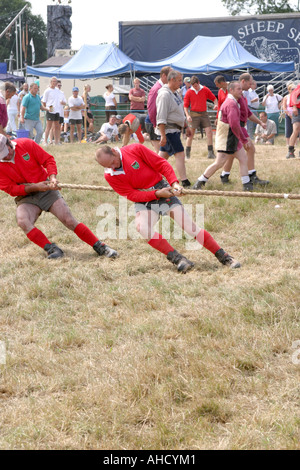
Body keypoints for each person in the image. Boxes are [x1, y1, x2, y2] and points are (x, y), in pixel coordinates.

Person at [95, 143, 240, 272]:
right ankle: (178, 259)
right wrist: (157, 194)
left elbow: (161, 164)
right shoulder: (110, 175)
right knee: (142, 228)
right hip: (145, 199)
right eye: (108, 166)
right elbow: (132, 195)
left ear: (114, 151)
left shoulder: (135, 149)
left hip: (162, 188)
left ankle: (225, 257)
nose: (113, 167)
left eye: (113, 162)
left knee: (190, 227)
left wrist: (174, 183)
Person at [0, 135, 118, 259]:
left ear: (9, 143)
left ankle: (100, 246)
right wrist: (35, 187)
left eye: (6, 152)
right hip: (25, 196)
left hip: (47, 189)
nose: (5, 156)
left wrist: (52, 178)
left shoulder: (26, 144)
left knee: (69, 220)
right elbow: (11, 189)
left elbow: (48, 160)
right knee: (23, 221)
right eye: (2, 156)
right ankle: (51, 249)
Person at [192, 81, 253, 191]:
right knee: (219, 163)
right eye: (238, 89)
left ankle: (247, 185)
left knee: (243, 158)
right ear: (231, 90)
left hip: (231, 137)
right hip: (227, 139)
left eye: (241, 88)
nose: (241, 91)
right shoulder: (231, 104)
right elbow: (234, 124)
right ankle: (199, 182)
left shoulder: (232, 102)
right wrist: (244, 140)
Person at [219, 73, 269, 186]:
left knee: (231, 154)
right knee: (249, 149)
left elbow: (248, 113)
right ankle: (251, 177)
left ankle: (224, 175)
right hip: (237, 127)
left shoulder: (242, 95)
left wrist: (260, 122)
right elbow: (238, 117)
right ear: (243, 81)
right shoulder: (238, 96)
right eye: (249, 83)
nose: (251, 85)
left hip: (238, 126)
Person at [156, 70, 192, 187]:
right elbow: (161, 116)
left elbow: (179, 112)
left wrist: (186, 126)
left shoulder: (175, 93)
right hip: (169, 130)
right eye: (179, 80)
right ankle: (184, 181)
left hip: (175, 130)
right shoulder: (164, 94)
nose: (181, 83)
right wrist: (163, 135)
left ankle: (151, 175)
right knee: (180, 154)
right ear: (172, 80)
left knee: (162, 157)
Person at [183, 75, 217, 159]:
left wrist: (216, 104)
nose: (195, 87)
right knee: (190, 135)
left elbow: (214, 98)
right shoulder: (189, 92)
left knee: (209, 132)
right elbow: (185, 106)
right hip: (193, 114)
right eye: (193, 86)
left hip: (204, 114)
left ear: (199, 83)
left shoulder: (205, 89)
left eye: (196, 86)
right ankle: (187, 154)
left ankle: (210, 153)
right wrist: (187, 116)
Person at [146, 66, 171, 153]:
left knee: (162, 152)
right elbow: (151, 108)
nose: (172, 78)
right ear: (164, 75)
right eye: (170, 75)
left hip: (159, 123)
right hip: (155, 123)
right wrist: (155, 124)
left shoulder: (163, 88)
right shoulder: (156, 89)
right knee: (159, 152)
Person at [42, 77, 65, 145]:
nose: (54, 83)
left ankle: (57, 141)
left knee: (57, 126)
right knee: (49, 126)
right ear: (51, 82)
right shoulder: (47, 90)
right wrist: (47, 108)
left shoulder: (57, 90)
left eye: (56, 82)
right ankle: (45, 141)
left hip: (57, 110)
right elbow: (44, 101)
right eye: (53, 81)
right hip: (50, 109)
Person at [281, 82, 297, 153]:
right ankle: (288, 144)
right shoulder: (286, 97)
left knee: (295, 130)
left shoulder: (297, 96)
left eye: (294, 89)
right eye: (291, 89)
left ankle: (295, 143)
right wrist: (289, 114)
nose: (293, 90)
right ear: (288, 90)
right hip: (288, 115)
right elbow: (284, 107)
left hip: (296, 115)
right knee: (288, 130)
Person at [286, 82, 300, 159]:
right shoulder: (298, 88)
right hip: (298, 109)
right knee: (296, 129)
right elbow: (294, 95)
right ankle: (290, 150)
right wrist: (294, 107)